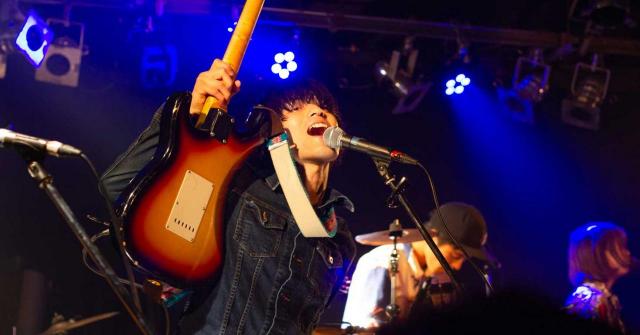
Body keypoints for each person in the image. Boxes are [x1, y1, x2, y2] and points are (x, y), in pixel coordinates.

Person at [101, 59, 356, 334]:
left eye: (327, 108)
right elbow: (118, 186)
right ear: (275, 132)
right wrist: (190, 111)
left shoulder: (339, 239)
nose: (319, 111)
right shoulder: (237, 184)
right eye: (296, 108)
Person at [342, 202, 496, 330]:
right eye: (456, 256)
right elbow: (367, 329)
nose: (457, 266)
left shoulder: (427, 273)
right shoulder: (382, 262)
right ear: (434, 238)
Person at [564, 222, 635, 333]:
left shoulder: (606, 298)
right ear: (598, 253)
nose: (628, 253)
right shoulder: (586, 298)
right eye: (620, 248)